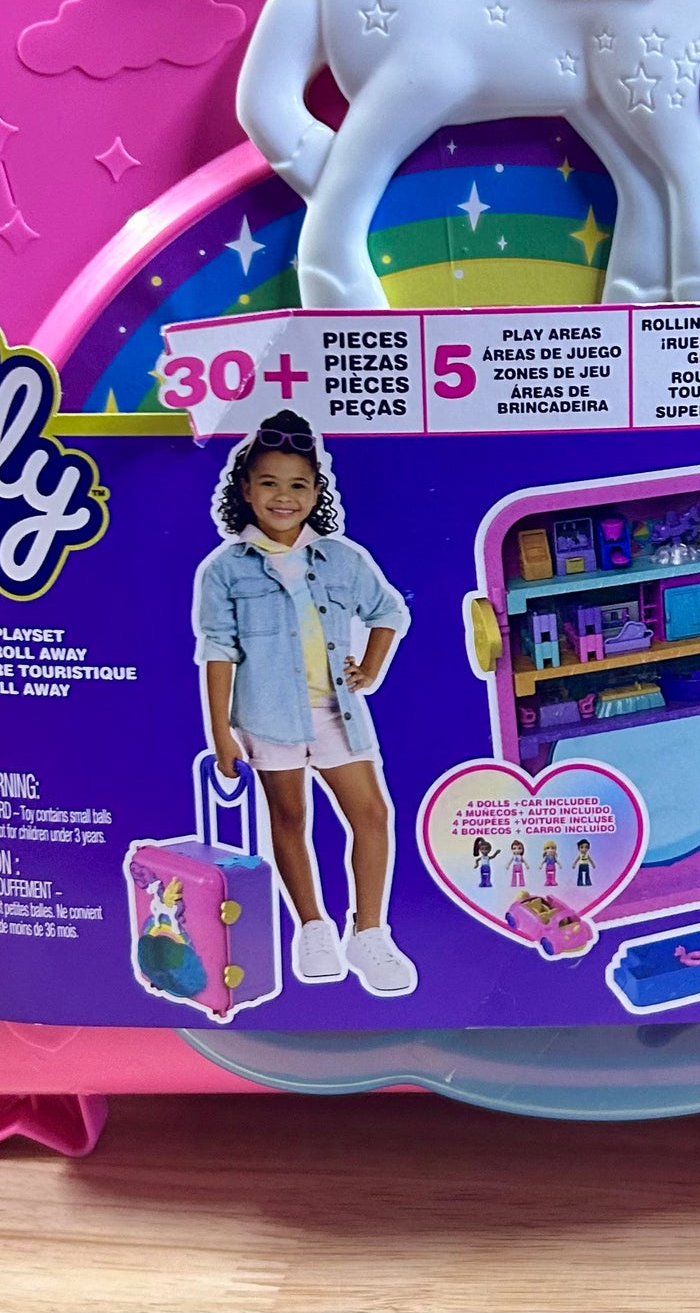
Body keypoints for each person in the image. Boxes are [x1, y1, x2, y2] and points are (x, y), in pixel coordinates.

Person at [193, 411, 415, 996]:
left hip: (337, 711)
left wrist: (371, 668)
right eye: (269, 483)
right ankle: (313, 927)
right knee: (290, 818)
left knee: (372, 814)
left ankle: (369, 933)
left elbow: (389, 611)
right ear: (246, 490)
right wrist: (219, 732)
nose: (283, 497)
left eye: (298, 484)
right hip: (268, 718)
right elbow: (218, 650)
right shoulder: (225, 571)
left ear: (316, 492)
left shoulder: (342, 559)